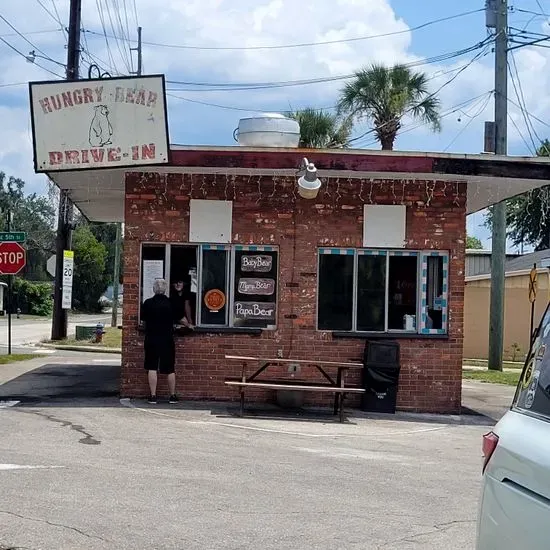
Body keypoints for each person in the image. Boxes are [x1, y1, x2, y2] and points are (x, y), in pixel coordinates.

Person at [141, 279, 178, 404]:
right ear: (165, 289)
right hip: (167, 339)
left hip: (151, 339)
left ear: (154, 289)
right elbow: (179, 319)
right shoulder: (171, 303)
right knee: (170, 368)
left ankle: (153, 396)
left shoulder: (147, 303)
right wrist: (189, 324)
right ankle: (172, 395)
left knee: (152, 367)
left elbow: (143, 321)